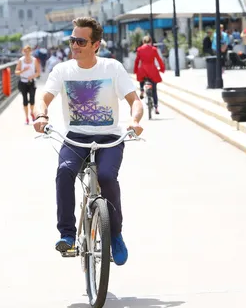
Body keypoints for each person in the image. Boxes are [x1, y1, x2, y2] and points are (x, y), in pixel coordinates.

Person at [33, 17, 144, 266]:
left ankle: (115, 234)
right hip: (75, 138)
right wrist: (41, 114)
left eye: (81, 41)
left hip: (110, 137)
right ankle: (67, 234)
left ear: (96, 45)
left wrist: (135, 121)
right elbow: (45, 97)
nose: (75, 45)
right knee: (64, 172)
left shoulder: (112, 68)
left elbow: (134, 100)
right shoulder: (62, 70)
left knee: (106, 177)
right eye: (72, 40)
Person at [134, 35, 165, 115]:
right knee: (154, 90)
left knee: (141, 78)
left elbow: (137, 61)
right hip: (152, 70)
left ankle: (141, 89)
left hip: (143, 69)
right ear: (151, 42)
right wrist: (162, 69)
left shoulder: (139, 49)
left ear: (143, 42)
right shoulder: (154, 49)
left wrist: (135, 70)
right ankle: (156, 107)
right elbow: (159, 59)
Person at [15, 45, 41, 124]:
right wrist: (23, 70)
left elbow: (38, 72)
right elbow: (16, 72)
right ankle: (26, 117)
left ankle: (32, 113)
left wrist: (32, 76)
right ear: (23, 52)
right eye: (25, 51)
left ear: (30, 51)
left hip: (31, 82)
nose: (26, 53)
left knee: (32, 100)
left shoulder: (34, 60)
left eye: (28, 51)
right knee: (25, 100)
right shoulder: (21, 60)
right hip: (23, 82)